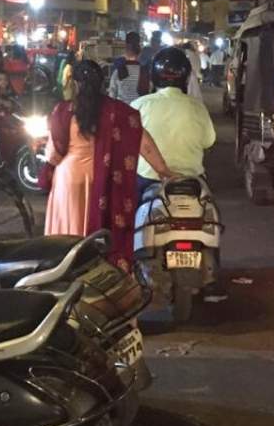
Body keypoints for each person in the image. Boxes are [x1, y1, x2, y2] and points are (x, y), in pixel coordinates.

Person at [43, 60, 172, 269]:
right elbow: (142, 140)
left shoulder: (63, 111)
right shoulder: (117, 111)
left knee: (67, 236)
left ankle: (66, 273)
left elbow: (55, 155)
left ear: (74, 83)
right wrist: (163, 170)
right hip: (102, 180)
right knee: (101, 233)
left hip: (69, 180)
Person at [132, 47, 216, 191]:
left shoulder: (139, 105)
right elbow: (209, 141)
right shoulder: (198, 107)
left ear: (153, 76)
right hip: (191, 180)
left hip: (149, 180)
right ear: (187, 77)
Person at [108, 32, 144, 104]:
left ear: (126, 49)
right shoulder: (145, 72)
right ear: (140, 51)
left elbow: (112, 96)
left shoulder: (118, 70)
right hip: (139, 111)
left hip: (122, 111)